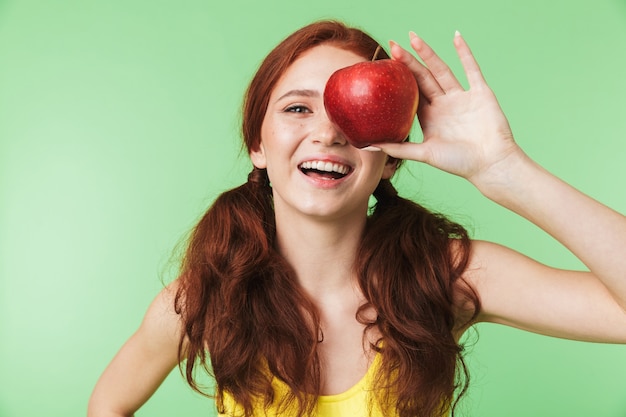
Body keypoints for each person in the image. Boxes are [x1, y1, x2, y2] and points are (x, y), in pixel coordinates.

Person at [87, 20, 626, 417]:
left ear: (390, 156)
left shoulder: (445, 279)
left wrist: (506, 170)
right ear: (258, 142)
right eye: (298, 108)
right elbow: (107, 405)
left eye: (353, 112)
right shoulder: (206, 296)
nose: (327, 133)